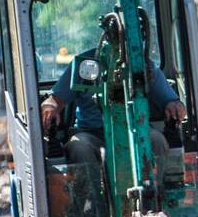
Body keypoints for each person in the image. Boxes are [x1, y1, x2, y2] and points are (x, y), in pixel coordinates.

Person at [40, 49, 186, 185]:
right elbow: (54, 100)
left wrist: (174, 105)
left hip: (135, 130)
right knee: (79, 147)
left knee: (156, 140)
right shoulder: (84, 64)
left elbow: (170, 100)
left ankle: (155, 193)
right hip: (92, 133)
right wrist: (50, 106)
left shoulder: (141, 64)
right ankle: (90, 202)